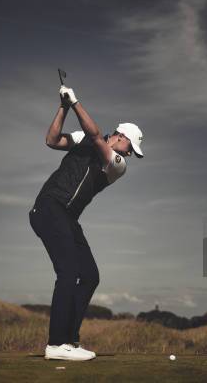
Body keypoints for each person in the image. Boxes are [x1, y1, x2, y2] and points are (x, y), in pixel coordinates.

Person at [29, 84, 144, 361]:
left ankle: (70, 340)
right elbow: (52, 140)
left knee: (90, 275)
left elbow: (94, 136)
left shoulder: (117, 164)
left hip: (67, 217)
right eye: (131, 147)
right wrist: (63, 107)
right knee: (68, 272)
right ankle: (56, 344)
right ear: (120, 137)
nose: (130, 154)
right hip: (48, 208)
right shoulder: (85, 138)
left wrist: (75, 102)